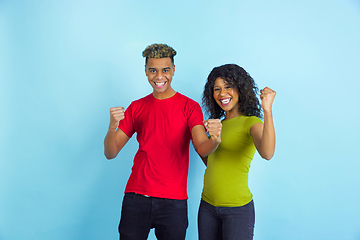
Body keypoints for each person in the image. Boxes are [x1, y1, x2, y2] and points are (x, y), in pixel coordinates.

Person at [104, 43, 222, 240]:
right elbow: (111, 152)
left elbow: (202, 146)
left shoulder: (190, 107)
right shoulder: (136, 107)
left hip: (173, 201)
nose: (159, 77)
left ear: (173, 70)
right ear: (146, 71)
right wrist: (111, 127)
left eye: (165, 70)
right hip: (136, 197)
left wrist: (215, 139)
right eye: (153, 70)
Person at [197, 64, 276, 240]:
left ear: (240, 88)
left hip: (237, 210)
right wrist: (206, 138)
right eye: (217, 89)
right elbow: (213, 163)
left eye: (228, 87)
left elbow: (268, 153)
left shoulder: (251, 122)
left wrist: (268, 111)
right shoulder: (217, 125)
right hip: (207, 207)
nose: (222, 94)